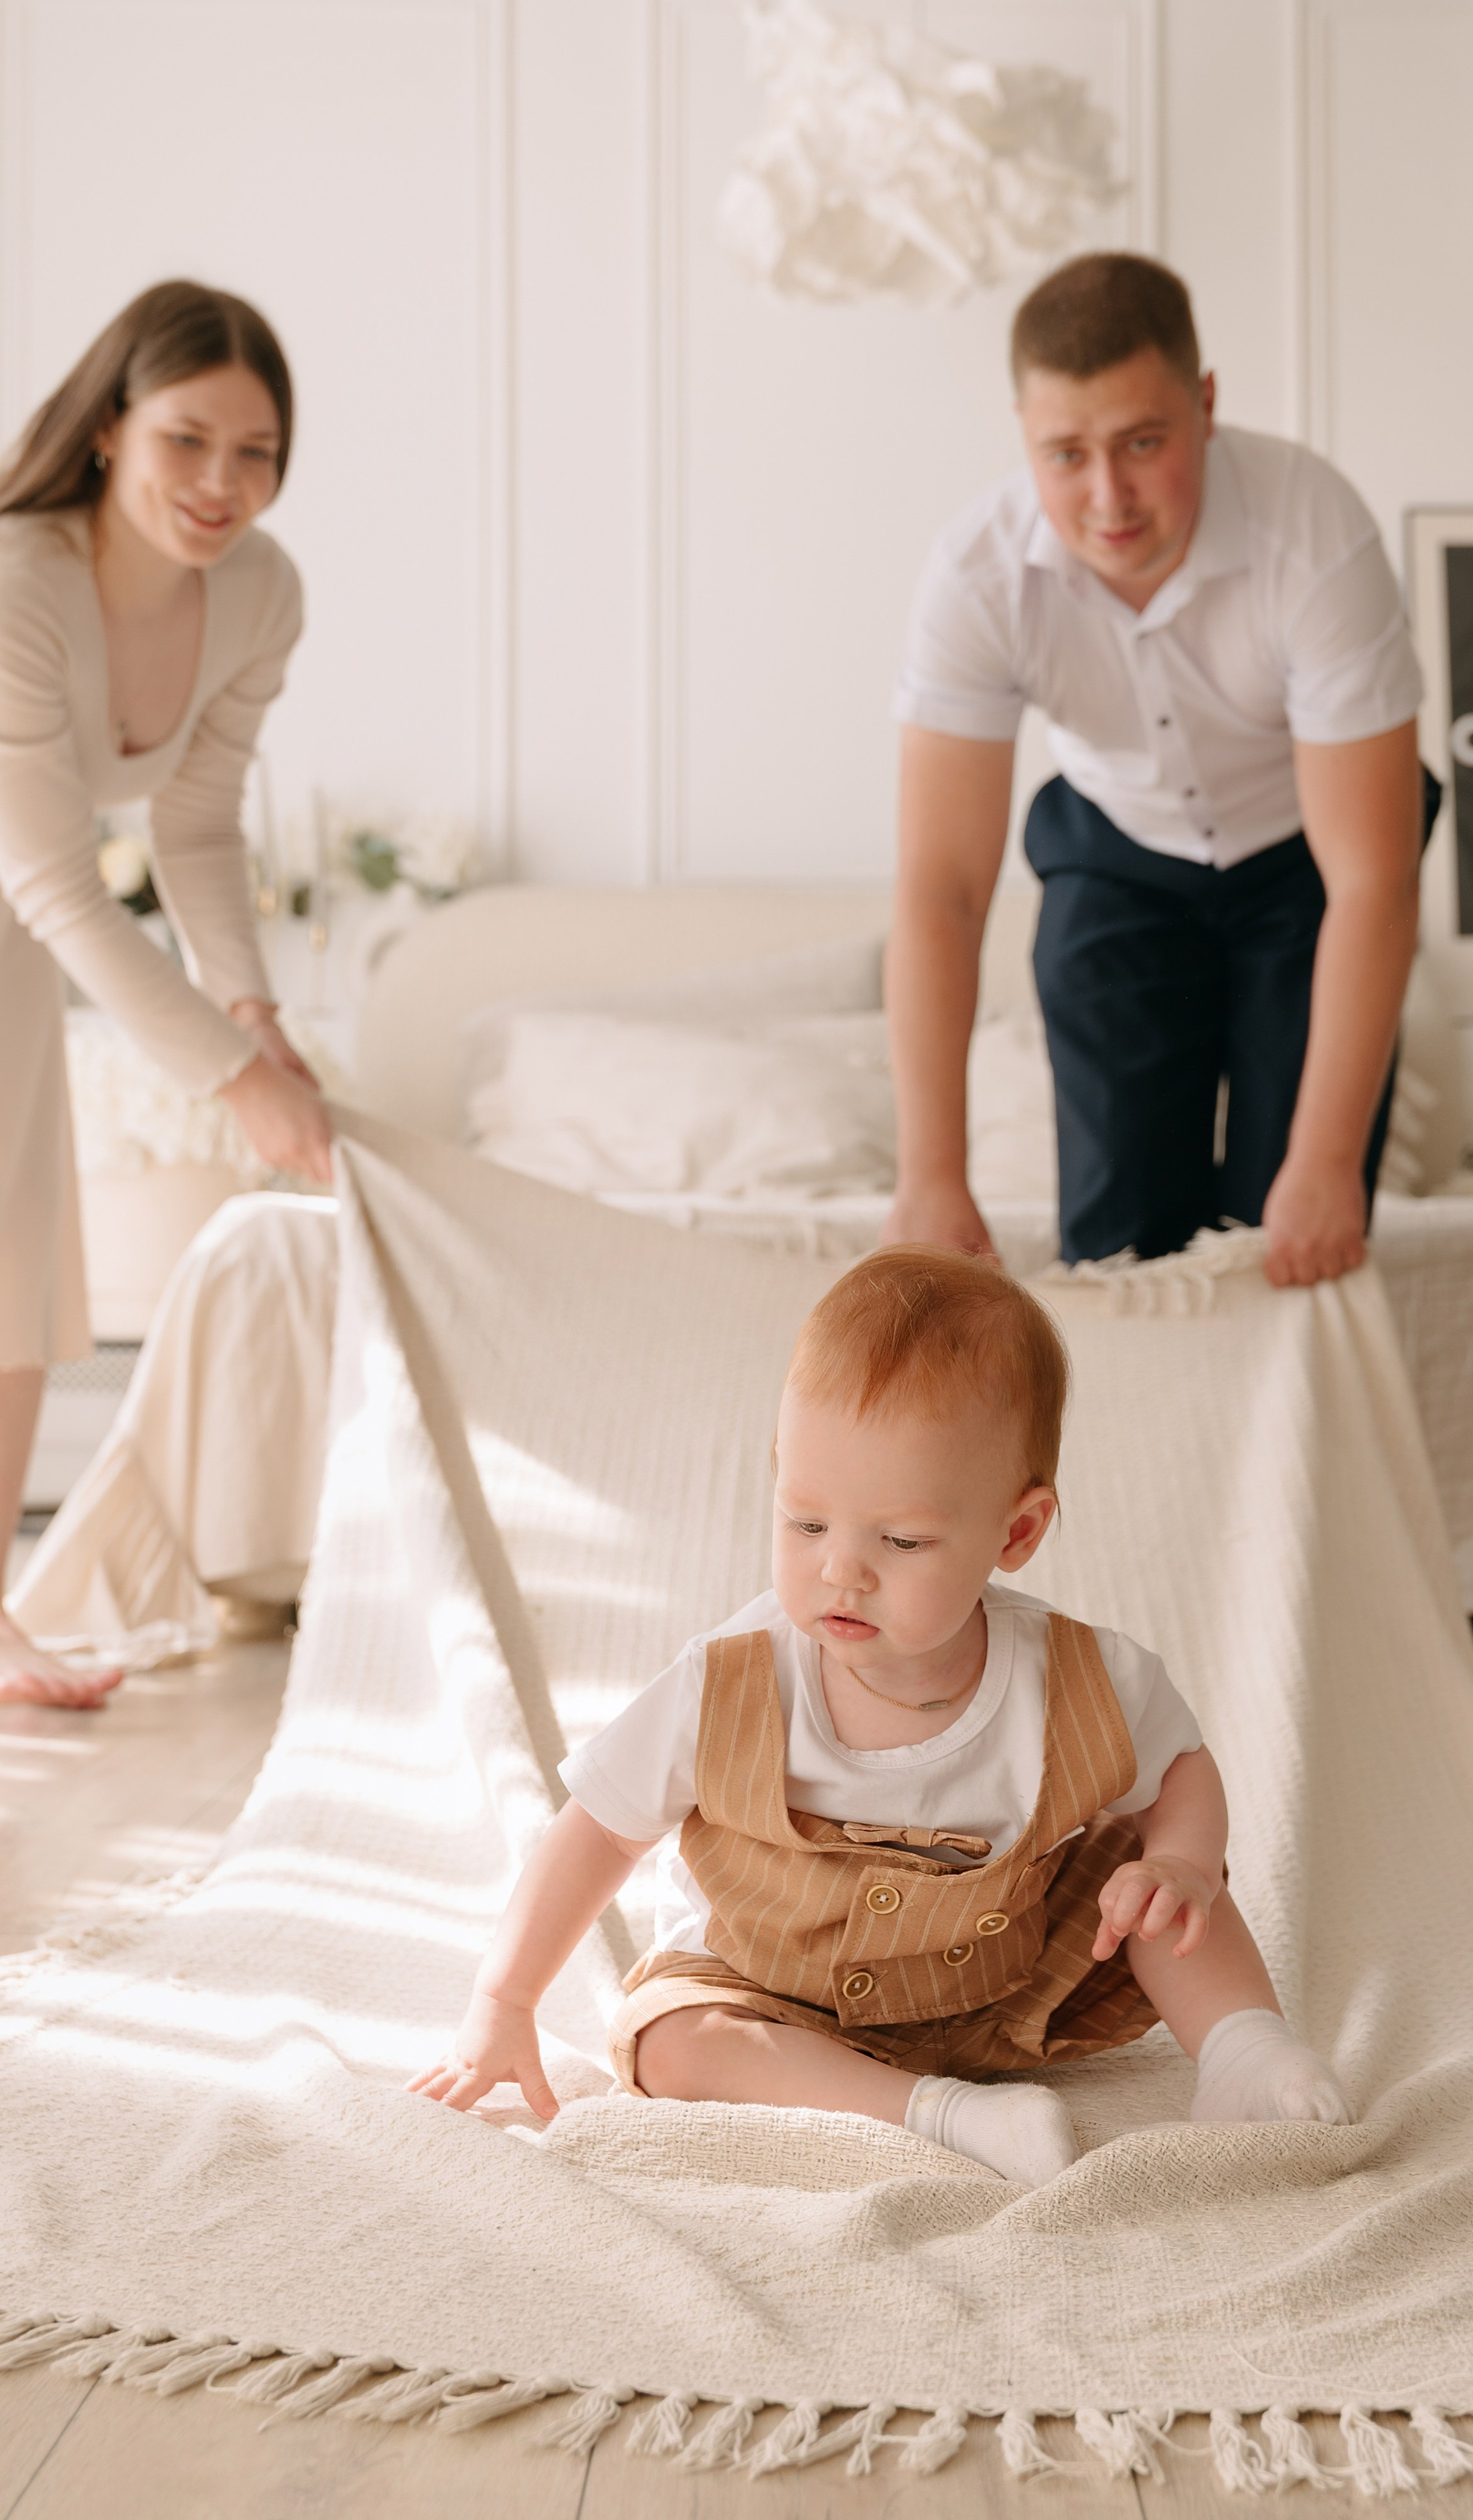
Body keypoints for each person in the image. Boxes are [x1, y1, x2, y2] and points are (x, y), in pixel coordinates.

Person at [411, 1249, 1350, 2185]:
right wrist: (505, 2000)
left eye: (901, 1540)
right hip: (778, 1993)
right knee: (666, 2043)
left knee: (1151, 1888)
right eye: (806, 1523)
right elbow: (598, 1832)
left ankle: (1245, 2049)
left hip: (1002, 1985)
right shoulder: (730, 1683)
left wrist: (1181, 1862)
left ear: (1017, 1532)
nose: (841, 1570)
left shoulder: (1076, 1679)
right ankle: (940, 2115)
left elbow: (1181, 1768)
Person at [883, 252, 1437, 1286]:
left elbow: (1373, 879)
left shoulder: (1314, 533)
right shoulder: (976, 576)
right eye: (1066, 454)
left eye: (1144, 442)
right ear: (1023, 433)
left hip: (1306, 868)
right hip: (1119, 855)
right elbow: (942, 890)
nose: (1110, 498)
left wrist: (1325, 1165)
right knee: (1119, 1250)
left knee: (1292, 1239)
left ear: (1206, 404)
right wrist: (930, 1175)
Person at [0, 280, 331, 1709]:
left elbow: (194, 826)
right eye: (187, 440)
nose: (220, 483)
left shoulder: (261, 594)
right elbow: (61, 878)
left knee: (14, 1263)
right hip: (33, 897)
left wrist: (251, 1013)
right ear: (108, 429)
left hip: (18, 931)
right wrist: (235, 1084)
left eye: (255, 453)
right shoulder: (19, 579)